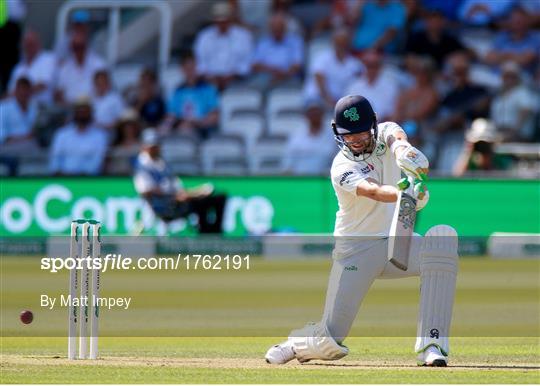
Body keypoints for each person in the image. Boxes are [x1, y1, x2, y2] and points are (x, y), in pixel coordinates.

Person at [265, 95, 458, 367]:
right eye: (348, 136)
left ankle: (432, 344)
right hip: (356, 250)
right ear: (337, 133)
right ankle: (295, 345)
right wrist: (406, 195)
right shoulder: (341, 166)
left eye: (361, 134)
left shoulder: (387, 132)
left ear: (374, 126)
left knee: (442, 242)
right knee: (331, 339)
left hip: (394, 242)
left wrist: (405, 153)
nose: (355, 141)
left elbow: (397, 139)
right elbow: (373, 190)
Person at [133, 129, 227, 233]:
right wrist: (172, 195)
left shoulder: (162, 164)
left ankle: (213, 234)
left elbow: (177, 187)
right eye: (152, 147)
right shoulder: (142, 166)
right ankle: (207, 236)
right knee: (200, 203)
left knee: (218, 198)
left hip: (176, 200)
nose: (155, 149)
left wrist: (194, 192)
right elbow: (145, 190)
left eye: (156, 146)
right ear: (144, 147)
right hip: (164, 205)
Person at [193, 1, 254, 90]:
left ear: (230, 19)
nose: (222, 24)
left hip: (237, 81)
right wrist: (210, 77)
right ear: (214, 20)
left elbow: (248, 62)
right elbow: (200, 61)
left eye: (225, 21)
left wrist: (233, 75)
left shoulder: (243, 36)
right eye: (219, 21)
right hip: (209, 81)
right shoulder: (204, 37)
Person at [303, 28, 364, 108]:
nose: (341, 46)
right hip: (317, 99)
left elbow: (357, 85)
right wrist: (329, 101)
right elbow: (319, 81)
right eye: (339, 43)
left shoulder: (355, 64)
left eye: (344, 43)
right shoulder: (321, 58)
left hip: (342, 101)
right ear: (333, 43)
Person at [165, 53, 219, 139]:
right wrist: (165, 127)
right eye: (187, 69)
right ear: (182, 69)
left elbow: (215, 117)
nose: (190, 71)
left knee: (185, 130)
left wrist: (196, 123)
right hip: (180, 127)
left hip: (201, 130)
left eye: (192, 68)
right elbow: (171, 116)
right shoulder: (178, 91)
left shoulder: (208, 89)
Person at [49, 98, 108, 175]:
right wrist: (59, 173)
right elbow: (55, 158)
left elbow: (97, 161)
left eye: (85, 111)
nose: (82, 114)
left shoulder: (99, 136)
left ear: (90, 113)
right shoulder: (62, 134)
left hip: (89, 180)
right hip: (63, 179)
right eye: (80, 111)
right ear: (75, 113)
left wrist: (81, 176)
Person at [250, 12, 304, 89]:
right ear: (270, 29)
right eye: (274, 29)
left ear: (285, 28)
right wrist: (273, 71)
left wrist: (283, 74)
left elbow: (297, 65)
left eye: (280, 29)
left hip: (289, 76)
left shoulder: (295, 41)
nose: (277, 32)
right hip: (266, 76)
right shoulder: (263, 42)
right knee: (253, 88)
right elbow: (255, 65)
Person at [346, 49, 400, 122]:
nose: (371, 69)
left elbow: (394, 113)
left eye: (375, 65)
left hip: (384, 127)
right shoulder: (354, 87)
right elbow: (348, 112)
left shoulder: (391, 86)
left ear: (380, 67)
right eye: (369, 65)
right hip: (360, 128)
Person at [484, 6, 540, 75]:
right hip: (495, 76)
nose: (517, 24)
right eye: (514, 21)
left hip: (521, 80)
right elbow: (488, 58)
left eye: (520, 21)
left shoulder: (536, 38)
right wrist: (512, 56)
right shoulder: (502, 36)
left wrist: (502, 56)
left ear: (527, 21)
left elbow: (524, 60)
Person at [284, 99, 336, 174]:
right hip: (300, 180)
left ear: (322, 113)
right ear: (306, 115)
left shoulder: (332, 136)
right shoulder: (296, 135)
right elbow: (288, 164)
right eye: (311, 112)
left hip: (324, 180)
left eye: (317, 112)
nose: (314, 115)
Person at [490, 61, 538, 141]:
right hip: (500, 132)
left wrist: (513, 131)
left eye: (512, 76)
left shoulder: (522, 92)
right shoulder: (499, 95)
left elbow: (525, 110)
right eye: (506, 76)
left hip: (519, 135)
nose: (509, 79)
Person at [54, 29, 106, 104]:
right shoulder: (64, 68)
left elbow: (105, 90)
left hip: (94, 107)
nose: (78, 51)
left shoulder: (99, 64)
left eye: (81, 47)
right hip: (71, 109)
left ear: (86, 46)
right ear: (71, 48)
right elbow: (59, 93)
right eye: (76, 48)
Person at [8, 29, 56, 104]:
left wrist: (22, 92)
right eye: (27, 44)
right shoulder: (18, 68)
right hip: (19, 110)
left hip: (42, 109)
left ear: (39, 44)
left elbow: (43, 85)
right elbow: (11, 92)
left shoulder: (49, 59)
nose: (29, 47)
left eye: (32, 44)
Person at [0, 77, 39, 151]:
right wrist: (24, 138)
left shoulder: (34, 108)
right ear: (15, 91)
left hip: (30, 150)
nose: (24, 93)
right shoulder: (3, 108)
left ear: (30, 92)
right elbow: (2, 136)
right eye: (22, 90)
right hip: (7, 150)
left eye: (26, 91)